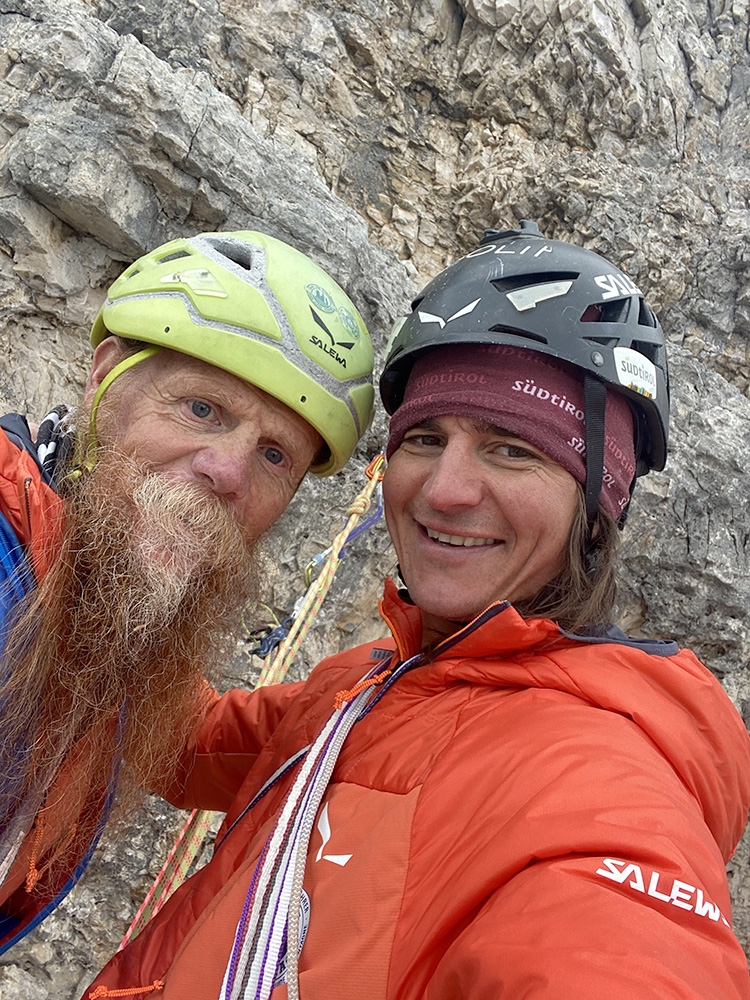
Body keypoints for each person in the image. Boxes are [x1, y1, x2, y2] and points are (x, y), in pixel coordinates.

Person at [85, 222, 750, 1000]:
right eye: (426, 438)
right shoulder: (367, 693)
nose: (444, 490)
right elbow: (171, 733)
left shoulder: (602, 786)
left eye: (512, 448)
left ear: (597, 504)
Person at [0, 229, 375, 955]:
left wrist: (395, 710)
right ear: (106, 374)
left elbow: (191, 734)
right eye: (203, 409)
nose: (227, 471)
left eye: (273, 456)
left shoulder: (94, 601)